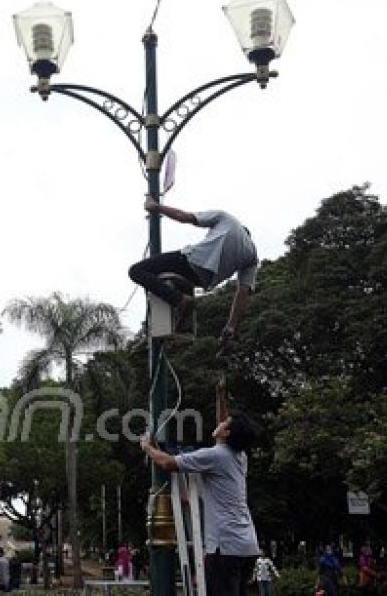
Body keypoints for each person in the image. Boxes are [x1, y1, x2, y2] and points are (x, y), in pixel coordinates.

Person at [141, 375, 263, 596]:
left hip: (224, 547)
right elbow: (223, 421)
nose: (222, 423)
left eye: (225, 425)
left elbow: (168, 463)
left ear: (227, 433)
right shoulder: (239, 456)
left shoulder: (215, 456)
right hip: (247, 545)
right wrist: (220, 396)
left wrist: (147, 448)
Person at [128, 199, 259, 338]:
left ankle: (178, 300)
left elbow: (183, 216)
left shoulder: (226, 219)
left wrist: (156, 207)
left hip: (189, 261)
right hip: (199, 281)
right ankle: (182, 325)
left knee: (136, 271)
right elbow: (242, 292)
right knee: (173, 284)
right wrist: (231, 325)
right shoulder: (252, 256)